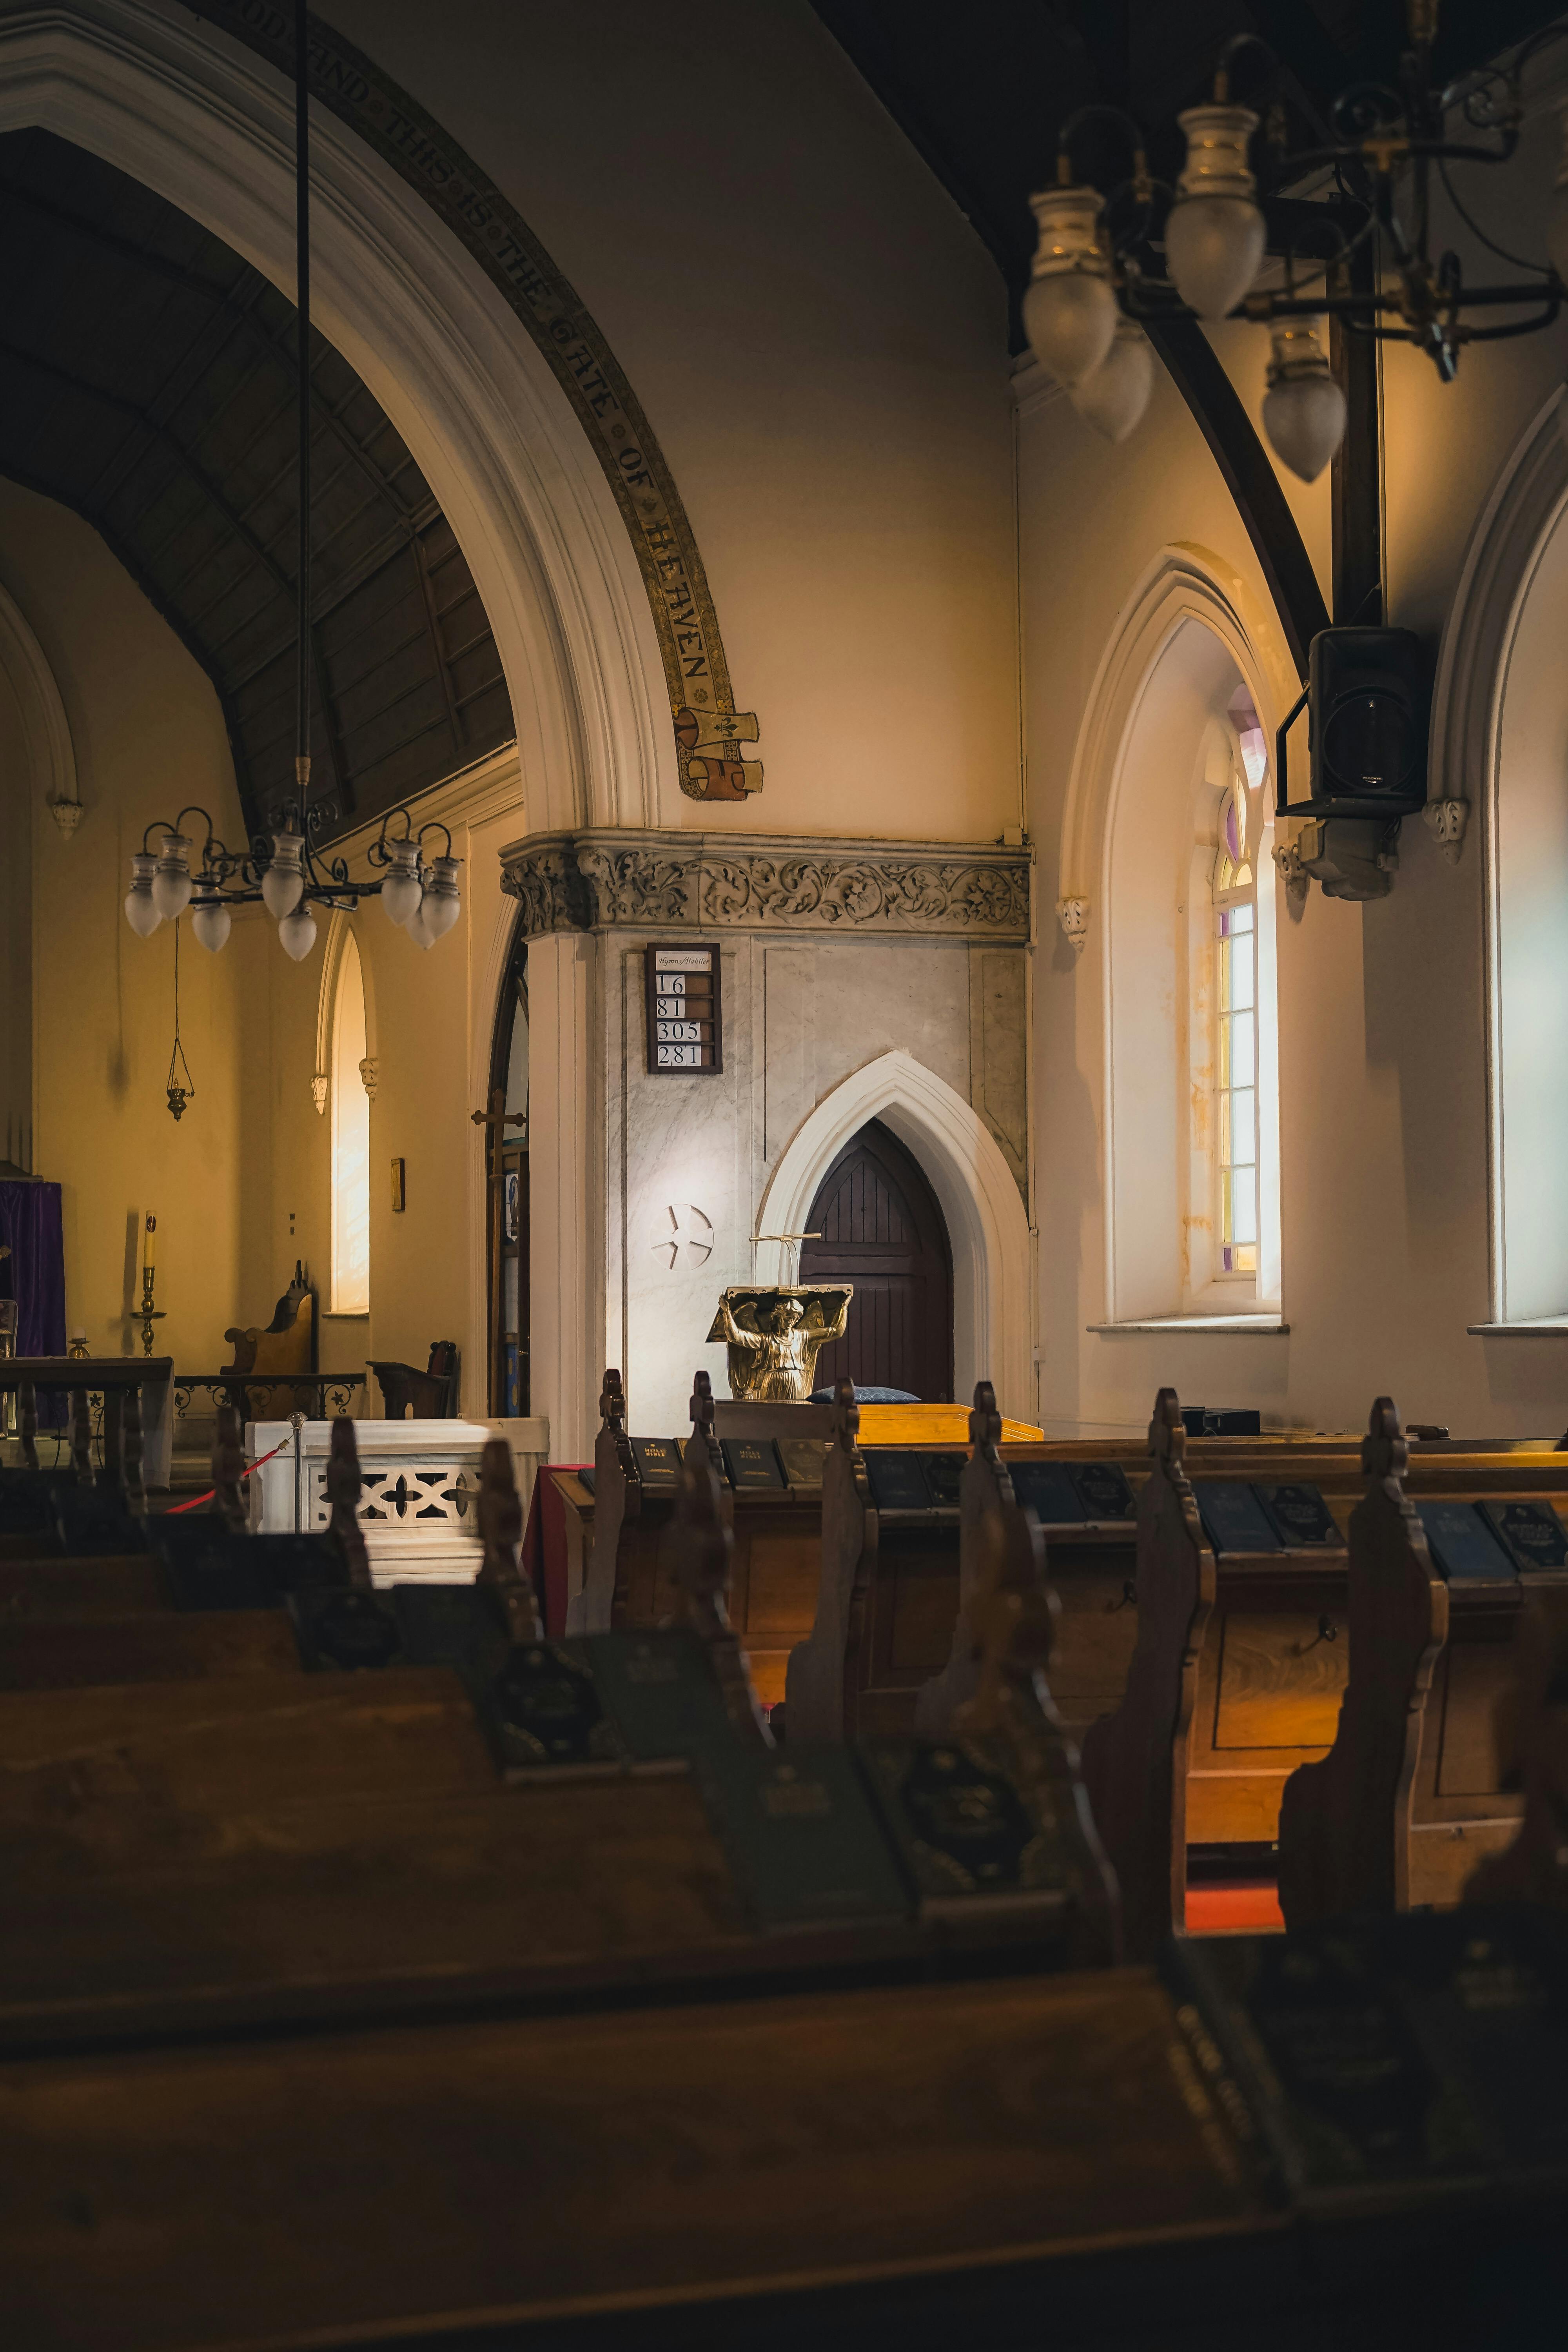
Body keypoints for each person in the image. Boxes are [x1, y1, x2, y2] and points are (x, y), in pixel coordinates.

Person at [715, 1289, 848, 1402]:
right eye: (788, 1315)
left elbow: (836, 1332)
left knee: (796, 1417)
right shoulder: (765, 1340)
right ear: (779, 1315)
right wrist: (727, 1311)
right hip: (771, 1381)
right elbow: (735, 1336)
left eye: (795, 1317)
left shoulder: (802, 1337)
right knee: (770, 1418)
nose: (791, 1320)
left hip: (795, 1382)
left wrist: (844, 1308)